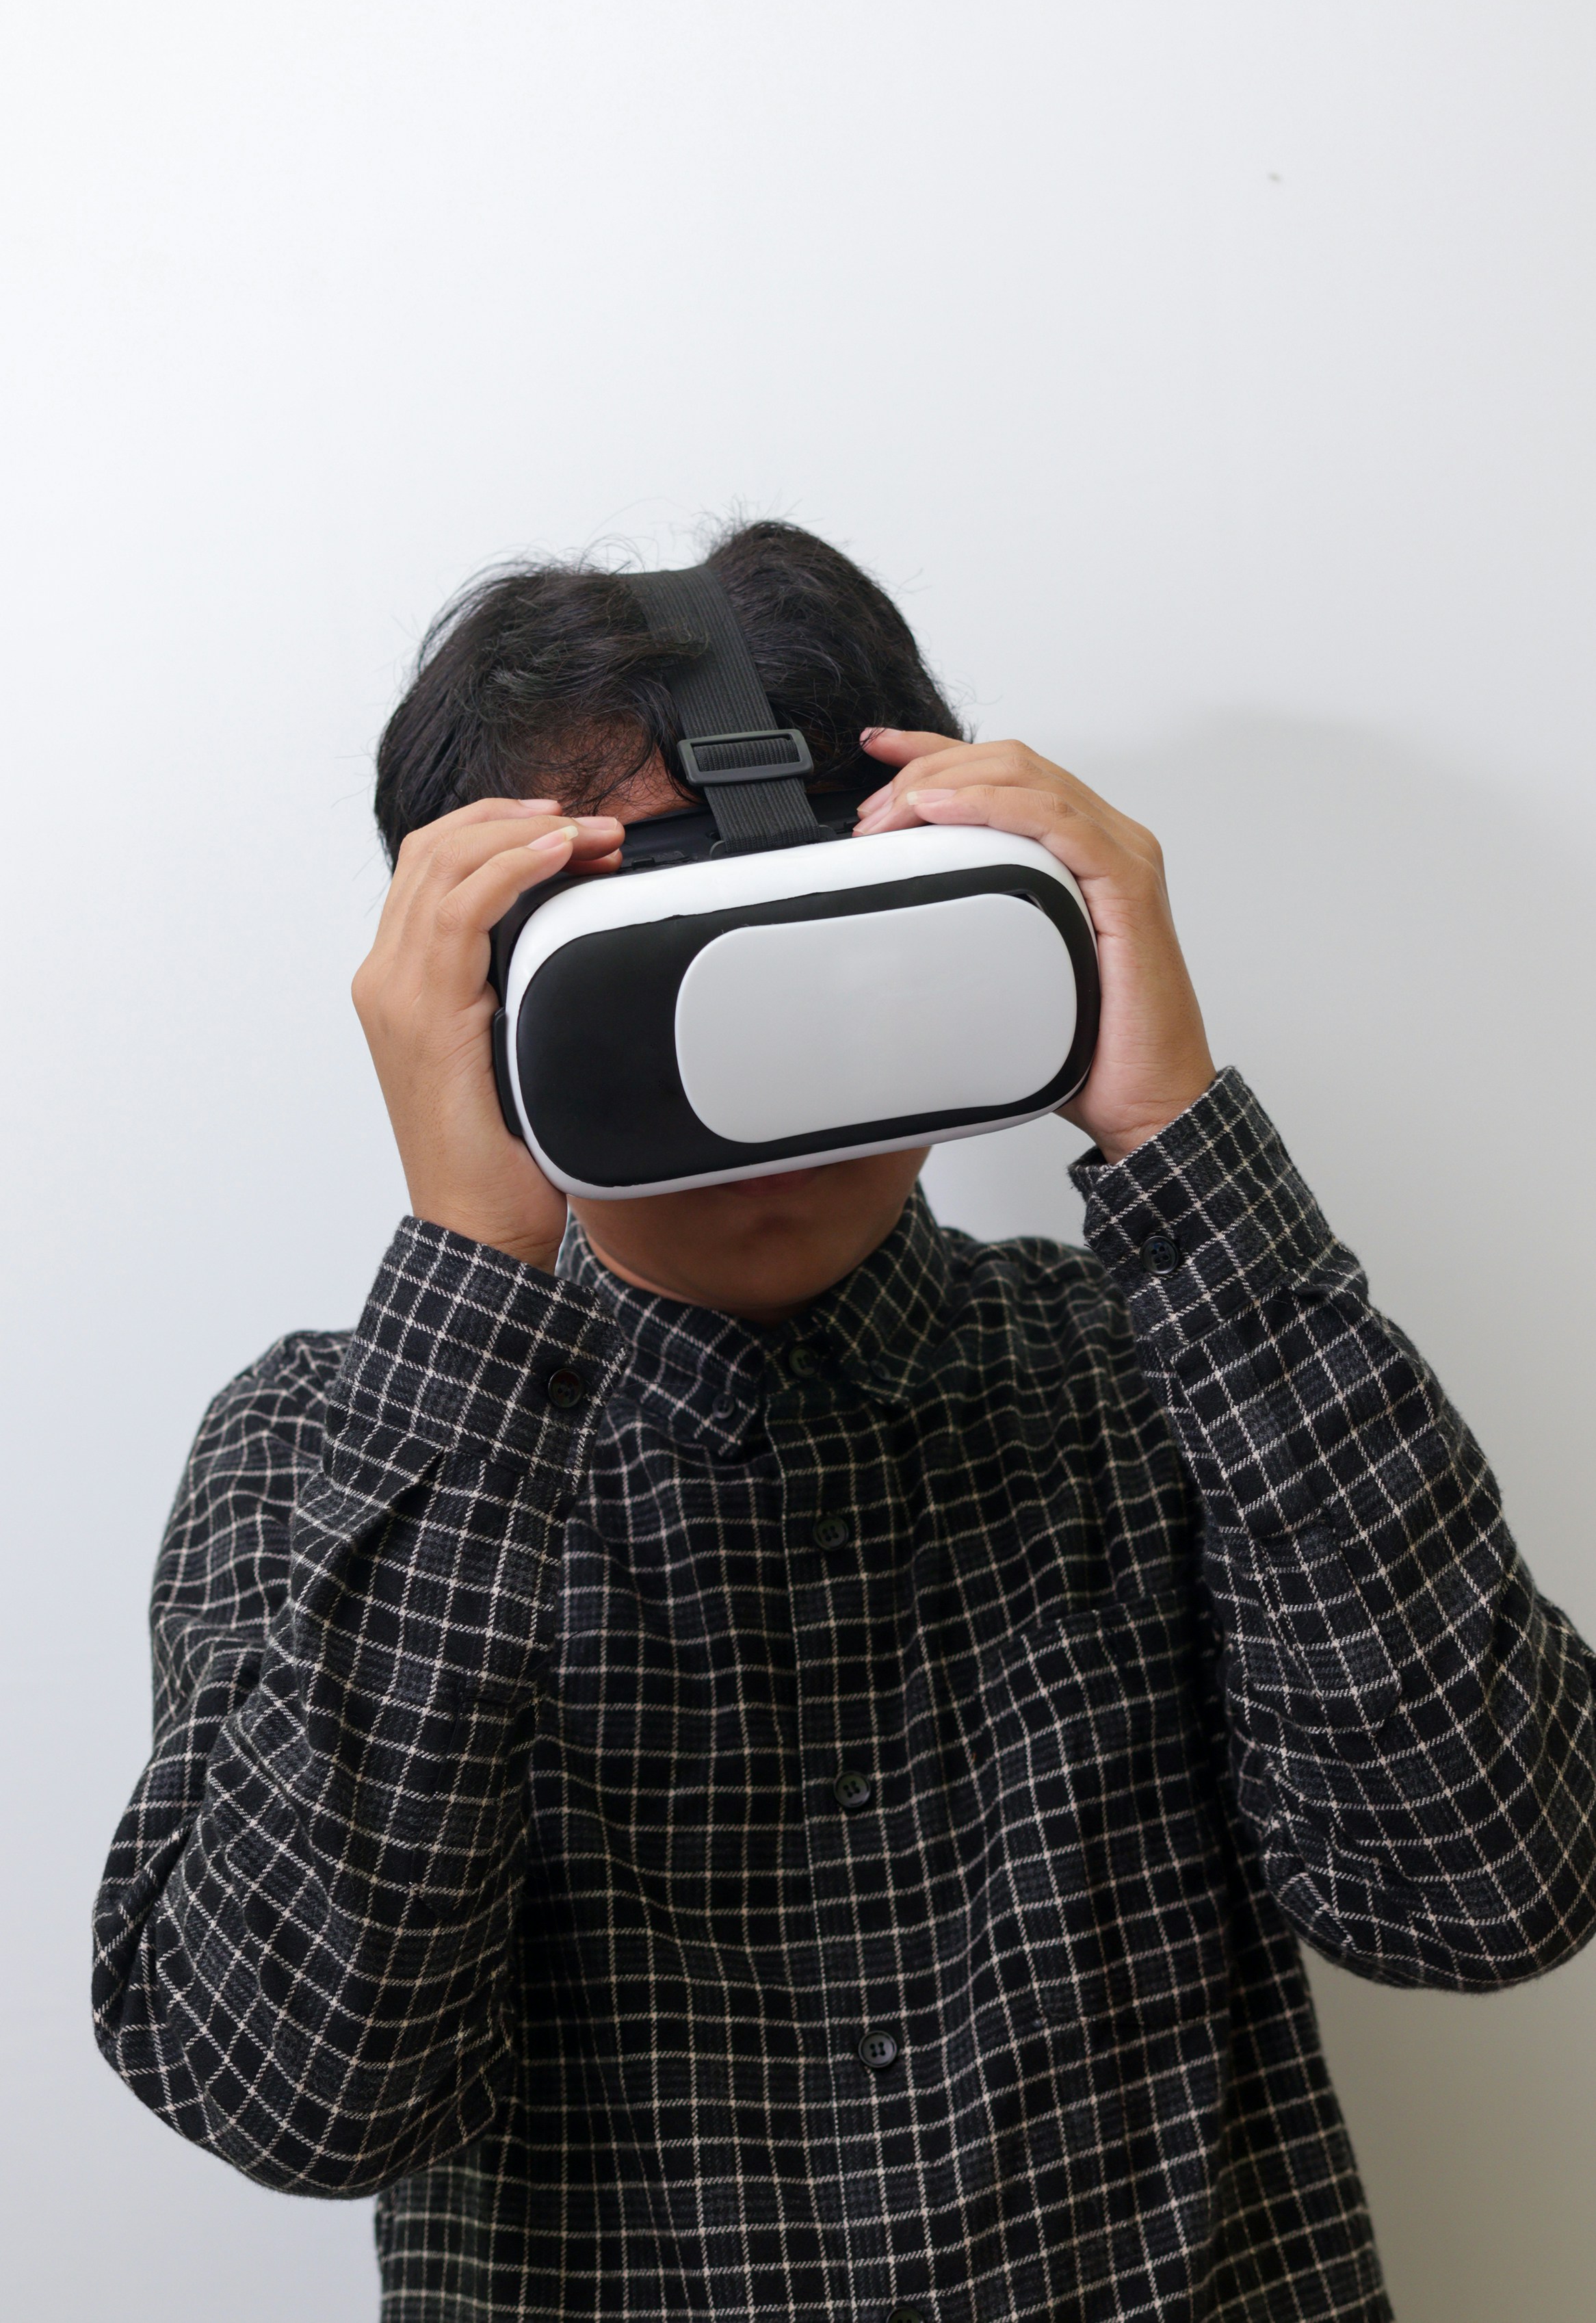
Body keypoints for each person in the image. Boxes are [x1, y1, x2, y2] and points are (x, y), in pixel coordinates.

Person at [93, 521, 1596, 2323]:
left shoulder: (1162, 1366)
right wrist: (471, 1274)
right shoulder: (321, 1451)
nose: (765, 1095)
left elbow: (1492, 1882)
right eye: (658, 978)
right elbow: (299, 2089)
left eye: (829, 963)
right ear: (473, 1001)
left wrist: (1176, 1139)